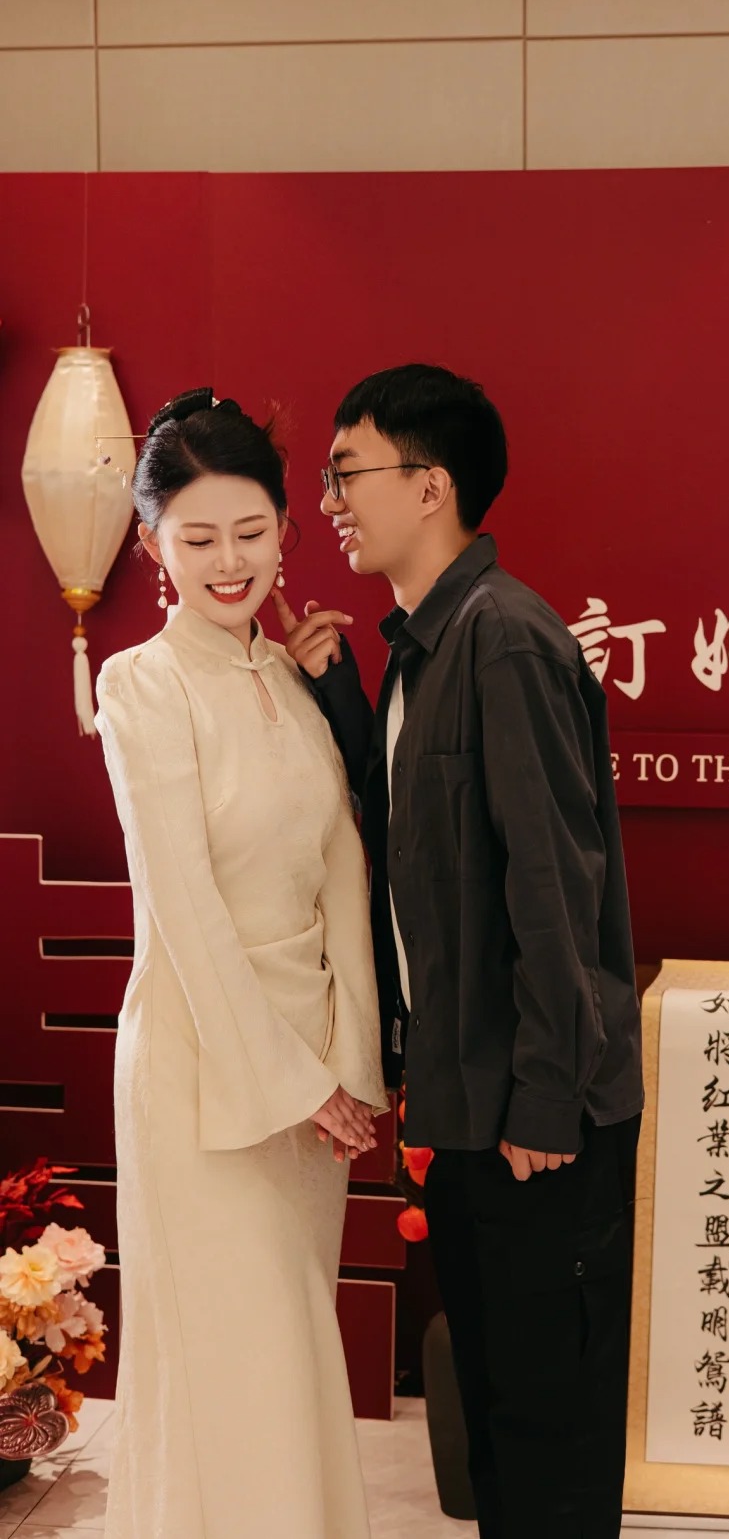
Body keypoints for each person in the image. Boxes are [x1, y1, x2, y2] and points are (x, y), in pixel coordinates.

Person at [274, 363, 644, 1539]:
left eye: (347, 471)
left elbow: (557, 890)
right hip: (467, 1100)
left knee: (547, 1434)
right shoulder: (424, 650)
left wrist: (546, 1099)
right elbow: (409, 844)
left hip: (538, 1117)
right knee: (495, 1425)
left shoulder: (507, 639)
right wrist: (340, 697)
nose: (328, 500)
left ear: (430, 485)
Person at [95, 389, 385, 1539]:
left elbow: (344, 875)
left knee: (293, 1350)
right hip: (204, 1069)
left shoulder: (288, 673)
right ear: (151, 544)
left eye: (252, 531)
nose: (230, 562)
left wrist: (351, 1063)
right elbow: (184, 907)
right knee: (231, 1361)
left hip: (312, 1075)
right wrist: (294, 1079)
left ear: (285, 528)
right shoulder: (142, 683)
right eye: (199, 537)